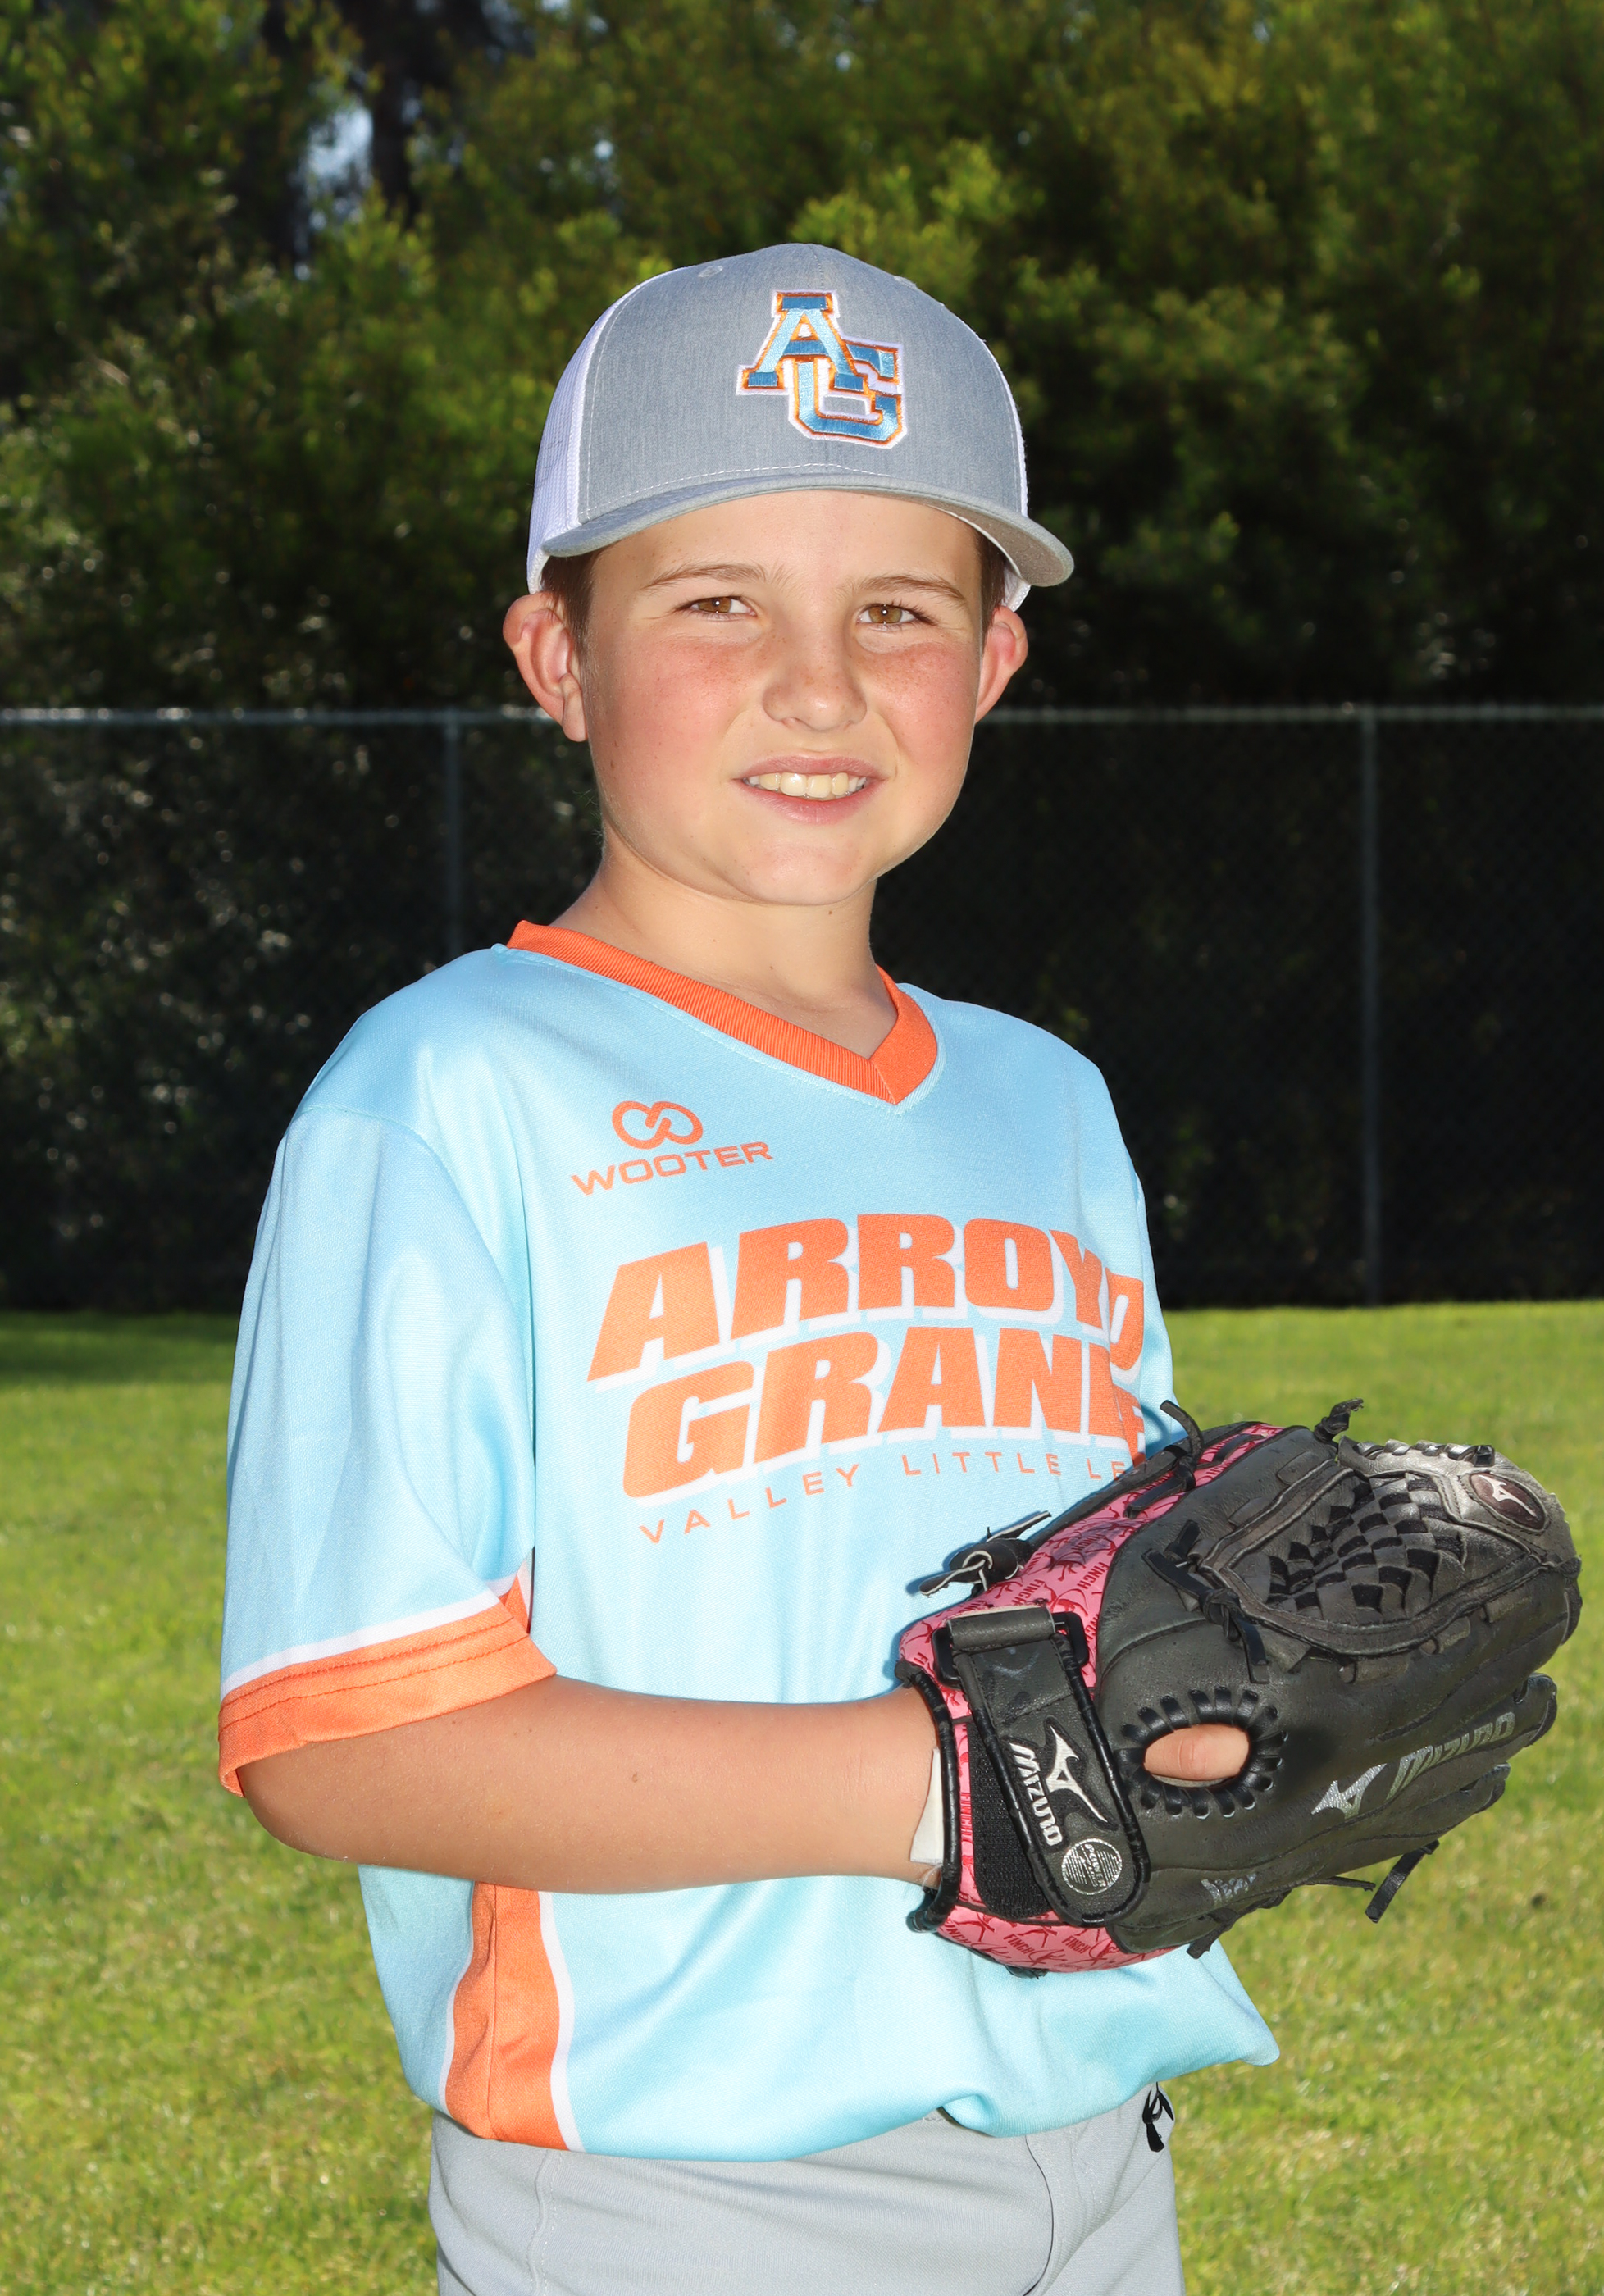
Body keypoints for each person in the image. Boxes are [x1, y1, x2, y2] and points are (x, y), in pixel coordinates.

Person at [220, 246, 1274, 2296]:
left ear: (993, 660)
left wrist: (1223, 1726)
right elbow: (340, 1735)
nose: (818, 683)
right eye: (716, 603)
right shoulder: (445, 1093)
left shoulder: (1047, 1103)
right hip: (689, 2199)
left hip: (1100, 2147)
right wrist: (936, 1777)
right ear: (556, 654)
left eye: (898, 609)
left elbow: (1099, 1615)